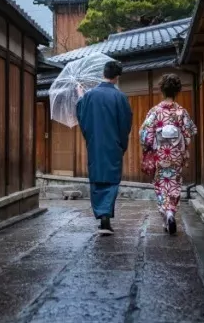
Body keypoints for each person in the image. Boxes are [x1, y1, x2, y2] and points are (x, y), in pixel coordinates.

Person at [76, 60, 133, 235]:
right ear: (116, 77)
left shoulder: (89, 95)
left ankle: (102, 217)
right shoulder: (120, 97)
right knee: (111, 180)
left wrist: (80, 97)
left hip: (95, 143)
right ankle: (106, 216)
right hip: (113, 144)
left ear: (104, 73)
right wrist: (122, 144)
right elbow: (125, 123)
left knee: (97, 178)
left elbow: (82, 116)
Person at [139, 74, 197, 235]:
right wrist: (183, 149)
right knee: (174, 183)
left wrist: (147, 148)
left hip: (160, 154)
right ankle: (172, 211)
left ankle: (166, 213)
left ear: (161, 90)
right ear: (177, 91)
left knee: (160, 183)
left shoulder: (155, 111)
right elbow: (189, 132)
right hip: (176, 153)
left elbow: (145, 134)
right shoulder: (181, 112)